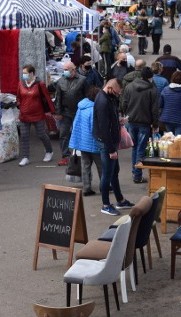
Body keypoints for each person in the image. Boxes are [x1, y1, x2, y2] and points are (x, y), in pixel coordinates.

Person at [92, 78, 135, 216]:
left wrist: (119, 121)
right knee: (107, 174)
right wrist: (111, 150)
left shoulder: (107, 98)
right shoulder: (103, 101)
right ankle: (105, 205)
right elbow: (104, 128)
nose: (117, 95)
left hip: (110, 141)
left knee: (114, 171)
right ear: (110, 88)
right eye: (116, 93)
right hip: (107, 143)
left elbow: (109, 121)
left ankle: (120, 200)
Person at [121, 67, 159, 184]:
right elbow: (154, 109)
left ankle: (135, 171)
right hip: (145, 123)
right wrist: (155, 124)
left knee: (134, 147)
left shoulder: (129, 87)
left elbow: (124, 103)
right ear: (149, 77)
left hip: (131, 121)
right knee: (141, 149)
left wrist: (126, 114)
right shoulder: (152, 89)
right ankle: (137, 175)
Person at [16, 64, 55, 166]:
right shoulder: (21, 84)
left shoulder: (39, 84)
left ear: (31, 73)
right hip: (24, 115)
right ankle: (25, 157)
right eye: (23, 73)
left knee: (42, 134)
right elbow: (18, 97)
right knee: (24, 136)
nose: (23, 75)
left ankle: (49, 151)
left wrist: (52, 111)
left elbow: (47, 98)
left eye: (25, 73)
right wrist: (19, 105)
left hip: (38, 114)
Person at [68, 86, 103, 196]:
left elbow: (75, 124)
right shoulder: (95, 109)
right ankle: (104, 186)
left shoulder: (81, 107)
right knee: (101, 166)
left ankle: (86, 188)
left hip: (82, 143)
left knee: (85, 166)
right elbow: (96, 127)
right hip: (94, 143)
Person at [54, 60, 89, 166]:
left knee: (78, 134)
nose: (64, 72)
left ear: (73, 70)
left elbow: (87, 96)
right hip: (65, 112)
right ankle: (65, 156)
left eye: (66, 70)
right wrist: (58, 112)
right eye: (64, 70)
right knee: (63, 134)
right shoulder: (61, 81)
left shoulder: (82, 80)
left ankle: (78, 155)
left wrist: (86, 112)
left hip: (79, 112)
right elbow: (58, 98)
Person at [160, 71, 181, 135]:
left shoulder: (165, 90)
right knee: (178, 140)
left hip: (167, 118)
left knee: (170, 139)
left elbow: (160, 104)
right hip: (180, 119)